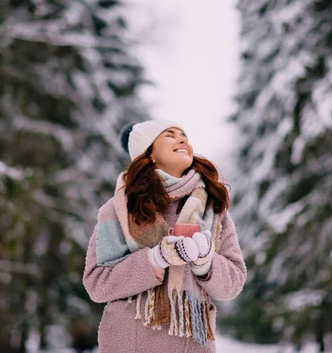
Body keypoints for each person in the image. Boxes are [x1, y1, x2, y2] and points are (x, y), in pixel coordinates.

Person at [82, 119, 247, 352]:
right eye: (170, 135)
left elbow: (233, 284)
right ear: (148, 153)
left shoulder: (213, 209)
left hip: (193, 344)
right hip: (131, 343)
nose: (183, 140)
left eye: (184, 136)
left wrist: (205, 262)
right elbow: (97, 283)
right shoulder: (118, 209)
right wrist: (155, 259)